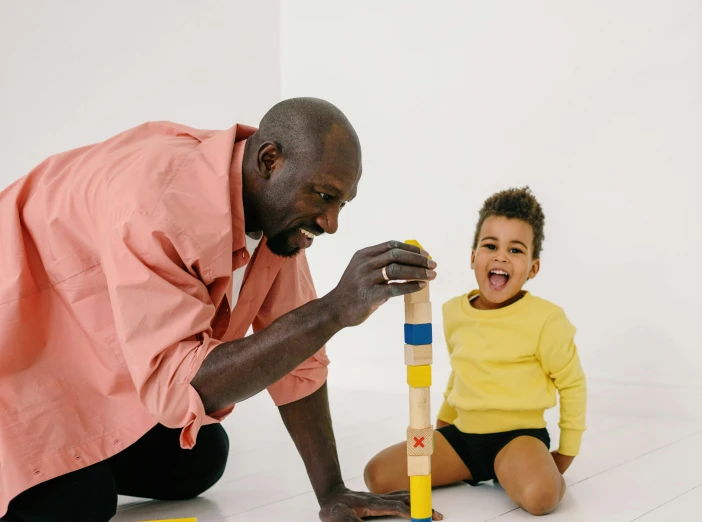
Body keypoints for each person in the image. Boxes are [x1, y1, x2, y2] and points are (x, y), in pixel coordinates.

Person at [0, 98, 442, 522]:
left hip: (73, 360)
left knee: (201, 458)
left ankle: (74, 457)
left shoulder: (276, 215)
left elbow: (299, 358)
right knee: (81, 505)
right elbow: (178, 386)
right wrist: (334, 309)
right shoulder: (159, 207)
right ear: (270, 161)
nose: (331, 224)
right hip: (13, 365)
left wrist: (331, 492)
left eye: (341, 204)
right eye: (324, 197)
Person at [364, 187, 587, 516]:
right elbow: (461, 372)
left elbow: (573, 384)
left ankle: (519, 471)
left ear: (533, 268)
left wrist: (566, 453)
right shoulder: (455, 312)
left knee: (541, 497)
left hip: (519, 439)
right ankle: (475, 471)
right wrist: (442, 425)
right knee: (377, 476)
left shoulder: (546, 320)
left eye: (515, 249)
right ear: (473, 257)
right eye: (491, 246)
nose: (501, 256)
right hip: (463, 440)